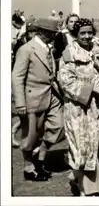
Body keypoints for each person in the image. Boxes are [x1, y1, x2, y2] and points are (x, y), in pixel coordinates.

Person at [57, 18, 99, 196]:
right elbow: (65, 82)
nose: (87, 36)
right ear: (76, 34)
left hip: (98, 109)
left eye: (90, 32)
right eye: (83, 33)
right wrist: (92, 89)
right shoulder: (69, 53)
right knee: (83, 150)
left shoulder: (98, 52)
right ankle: (86, 190)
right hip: (78, 110)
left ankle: (79, 175)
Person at [12, 18, 64, 182]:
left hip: (51, 95)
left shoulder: (49, 48)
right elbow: (17, 77)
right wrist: (20, 102)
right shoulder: (26, 49)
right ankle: (29, 168)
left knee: (59, 126)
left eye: (55, 33)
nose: (54, 36)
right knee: (30, 135)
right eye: (51, 33)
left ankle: (39, 157)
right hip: (32, 98)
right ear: (42, 32)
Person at [12, 16, 38, 148]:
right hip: (24, 85)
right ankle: (16, 135)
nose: (34, 34)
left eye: (35, 31)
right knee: (25, 117)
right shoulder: (22, 46)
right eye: (31, 31)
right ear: (27, 32)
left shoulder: (36, 46)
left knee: (30, 119)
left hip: (33, 87)